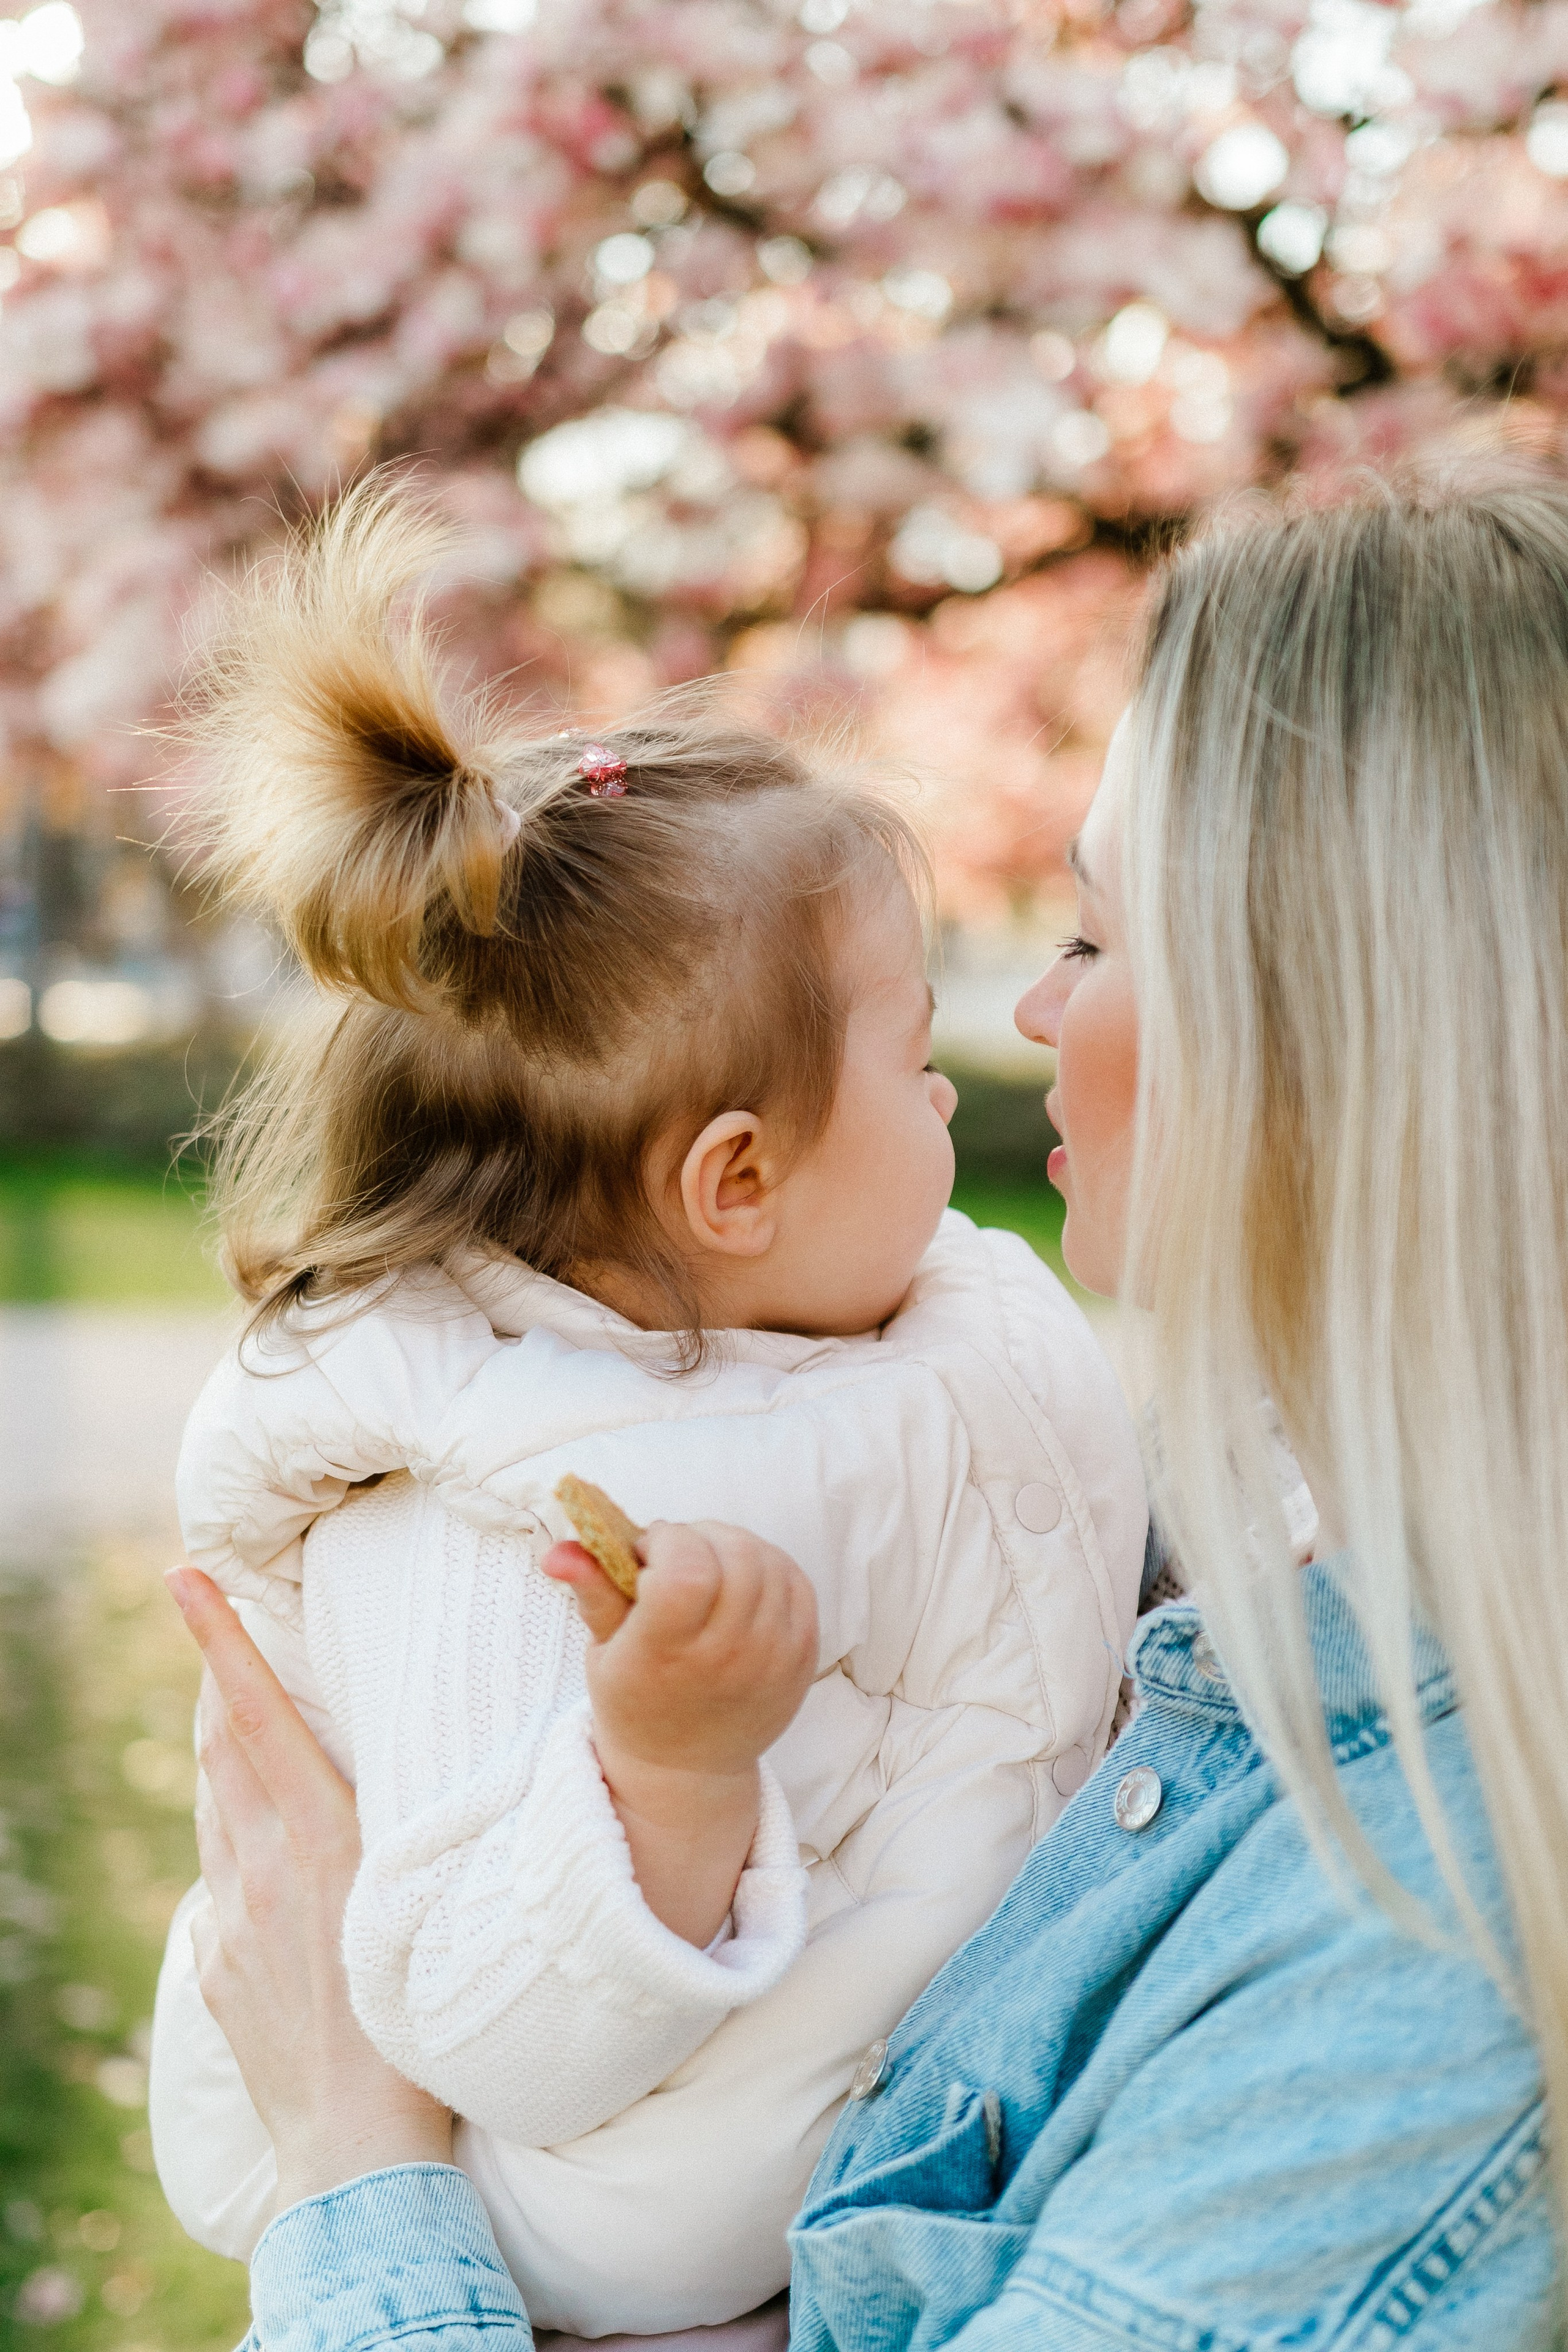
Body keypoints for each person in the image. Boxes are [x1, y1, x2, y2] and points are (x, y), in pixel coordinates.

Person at [174, 474, 1565, 2350]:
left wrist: (359, 2175)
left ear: (1341, 1029)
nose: (1034, 1020)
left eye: (1096, 937)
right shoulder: (1282, 1575)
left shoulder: (1408, 1963)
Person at [149, 481, 1148, 2336]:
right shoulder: (472, 1514)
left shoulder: (905, 1325)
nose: (958, 1095)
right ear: (736, 1185)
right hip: (639, 2234)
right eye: (914, 1058)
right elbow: (473, 2020)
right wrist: (670, 1777)